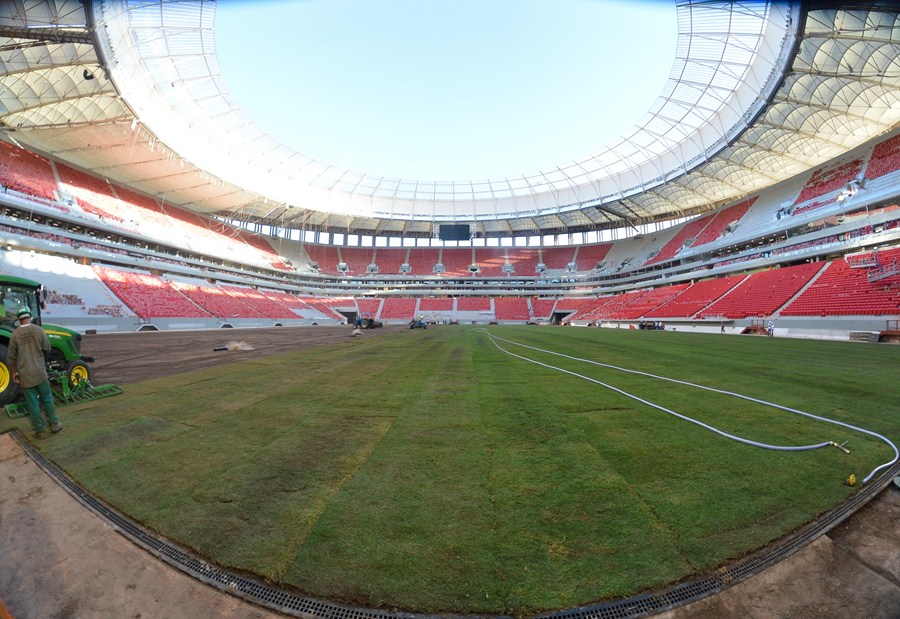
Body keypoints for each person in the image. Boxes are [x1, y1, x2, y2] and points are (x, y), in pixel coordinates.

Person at [8, 306, 61, 439]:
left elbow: (11, 358)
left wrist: (14, 372)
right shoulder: (39, 330)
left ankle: (40, 431)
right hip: (40, 373)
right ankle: (54, 424)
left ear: (19, 320)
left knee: (32, 403)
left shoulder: (15, 335)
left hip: (25, 375)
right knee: (47, 398)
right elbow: (47, 348)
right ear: (30, 317)